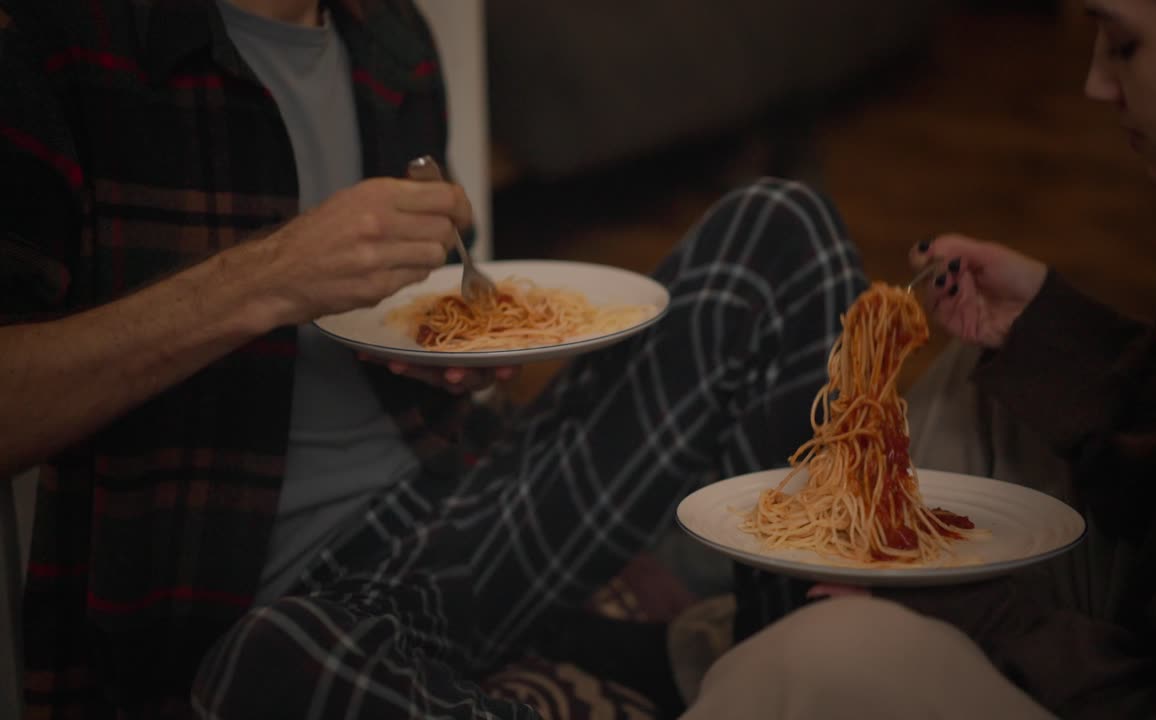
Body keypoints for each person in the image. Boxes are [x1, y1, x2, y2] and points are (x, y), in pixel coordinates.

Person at [0, 0, 869, 716]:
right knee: (280, 664)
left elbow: (427, 310)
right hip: (259, 609)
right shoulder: (66, 41)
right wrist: (268, 276)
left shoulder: (391, 40)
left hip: (461, 512)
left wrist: (455, 350)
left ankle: (783, 663)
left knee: (780, 228)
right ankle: (598, 667)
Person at [683, 0, 1156, 718]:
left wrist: (969, 611)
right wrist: (1049, 333)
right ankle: (762, 637)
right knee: (985, 383)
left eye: (1124, 45)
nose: (1096, 83)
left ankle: (763, 658)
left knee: (820, 658)